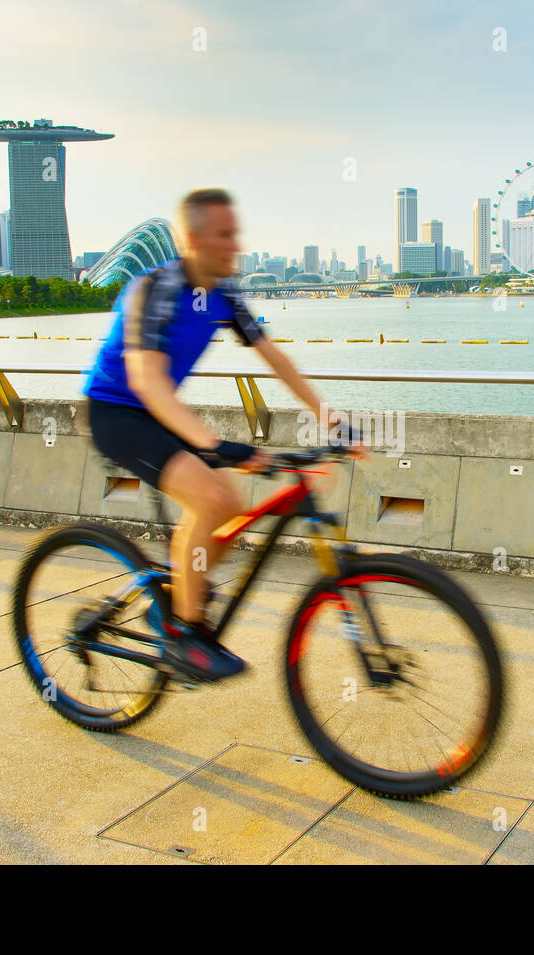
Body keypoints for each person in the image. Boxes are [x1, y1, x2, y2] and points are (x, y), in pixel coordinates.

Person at [82, 188, 364, 682]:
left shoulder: (225, 294)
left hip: (161, 412)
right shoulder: (157, 289)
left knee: (228, 503)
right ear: (192, 238)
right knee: (214, 497)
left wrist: (332, 418)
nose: (237, 244)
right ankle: (187, 637)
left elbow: (274, 358)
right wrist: (213, 445)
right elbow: (147, 382)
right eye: (225, 234)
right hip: (117, 412)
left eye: (237, 233)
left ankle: (175, 595)